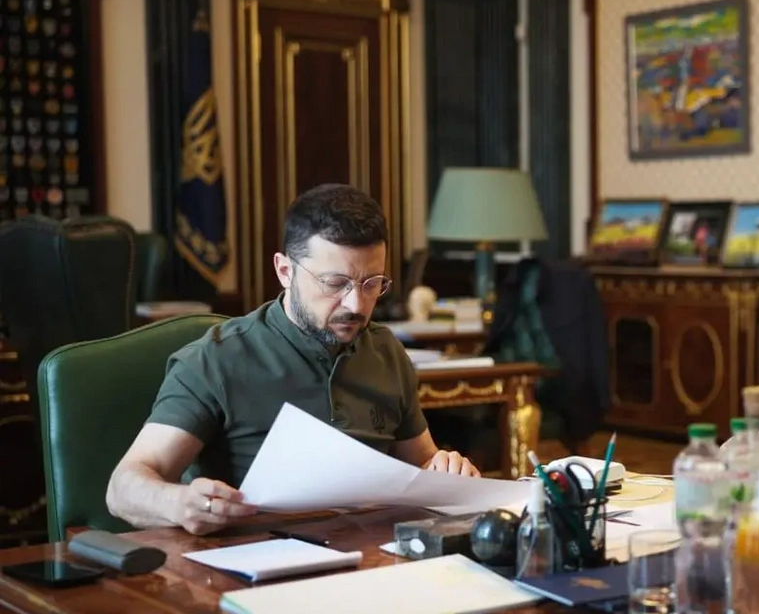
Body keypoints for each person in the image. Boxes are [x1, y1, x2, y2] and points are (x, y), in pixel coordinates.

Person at [107, 184, 480, 535]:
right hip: (255, 554)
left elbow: (424, 464)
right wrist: (179, 504)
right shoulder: (216, 360)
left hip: (372, 554)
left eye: (372, 284)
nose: (356, 304)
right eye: (335, 284)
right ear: (285, 271)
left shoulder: (385, 350)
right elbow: (123, 487)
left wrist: (447, 469)